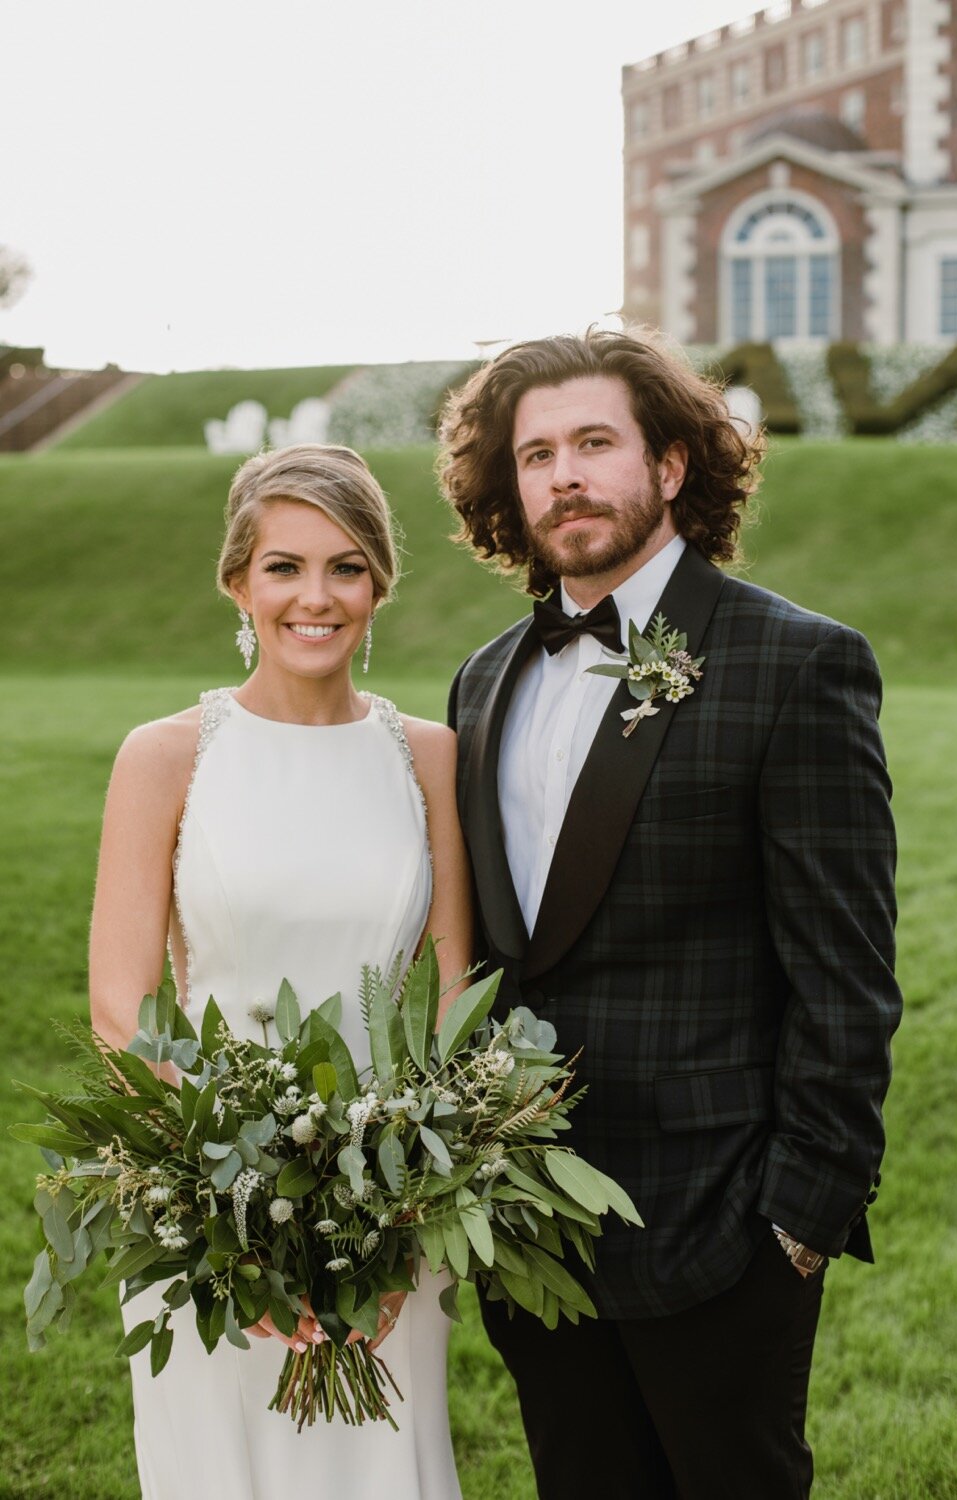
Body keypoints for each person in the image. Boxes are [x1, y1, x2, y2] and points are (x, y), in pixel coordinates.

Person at [439, 327, 902, 1500]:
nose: (564, 476)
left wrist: (797, 1220)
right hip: (531, 1222)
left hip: (720, 1227)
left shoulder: (795, 663)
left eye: (594, 442)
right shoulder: (483, 679)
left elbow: (845, 979)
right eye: (536, 453)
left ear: (674, 466)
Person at [90, 443, 471, 1500]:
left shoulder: (428, 755)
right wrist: (229, 1221)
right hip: (206, 1200)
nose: (316, 597)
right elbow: (123, 1007)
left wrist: (398, 1218)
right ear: (237, 581)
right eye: (284, 567)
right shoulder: (167, 755)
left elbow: (450, 998)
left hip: (396, 1199)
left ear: (380, 584)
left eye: (346, 567)